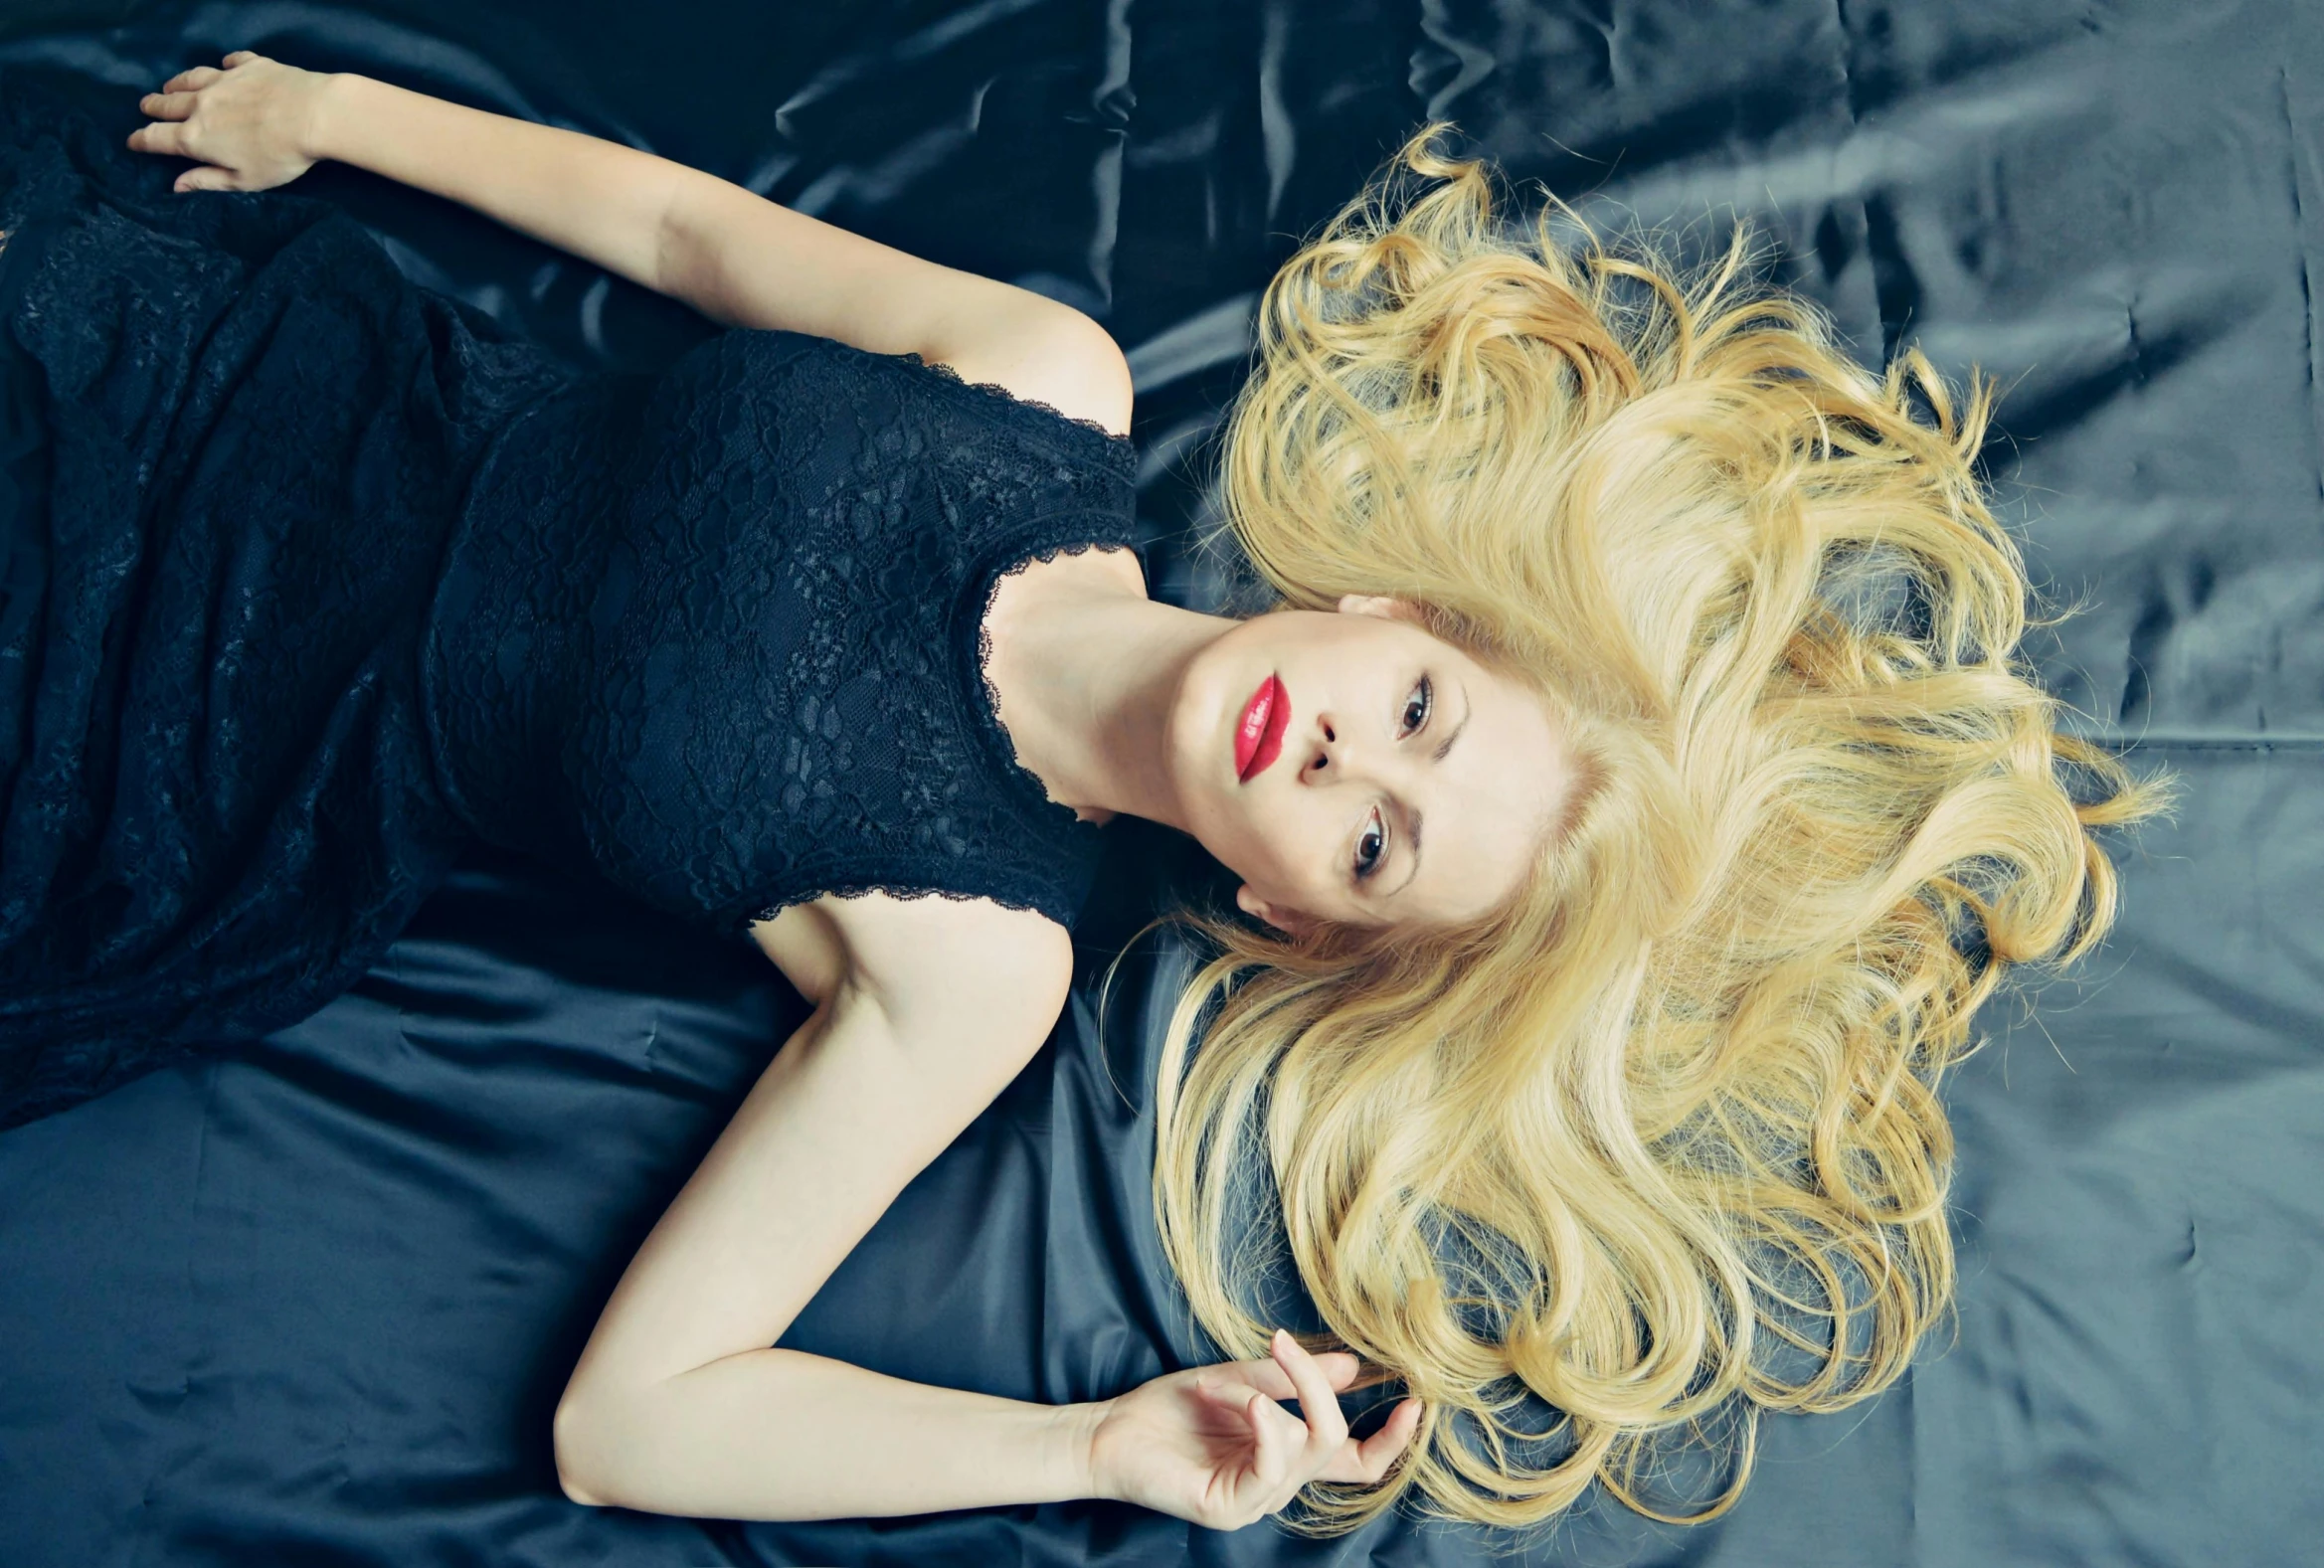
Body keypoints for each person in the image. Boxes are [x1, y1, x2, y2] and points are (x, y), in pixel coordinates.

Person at [0, 47, 2155, 1535]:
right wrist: (337, 114)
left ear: (1301, 913)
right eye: (1409, 705)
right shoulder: (1044, 386)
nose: (1336, 751)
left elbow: (624, 1422)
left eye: (1380, 834)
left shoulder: (973, 964)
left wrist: (1097, 1443)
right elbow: (675, 236)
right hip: (277, 377)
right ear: (1383, 601)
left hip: (194, 751)